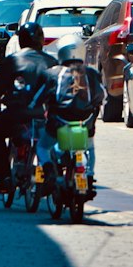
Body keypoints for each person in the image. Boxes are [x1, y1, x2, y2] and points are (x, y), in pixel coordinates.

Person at [0, 20, 54, 193]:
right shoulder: (52, 61)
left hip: (16, 114)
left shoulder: (12, 61)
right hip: (43, 115)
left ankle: (4, 177)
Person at [40, 48, 105, 184]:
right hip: (85, 124)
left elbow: (42, 96)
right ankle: (90, 174)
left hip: (59, 123)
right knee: (90, 147)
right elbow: (103, 96)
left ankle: (49, 170)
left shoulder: (54, 73)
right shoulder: (92, 74)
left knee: (42, 147)